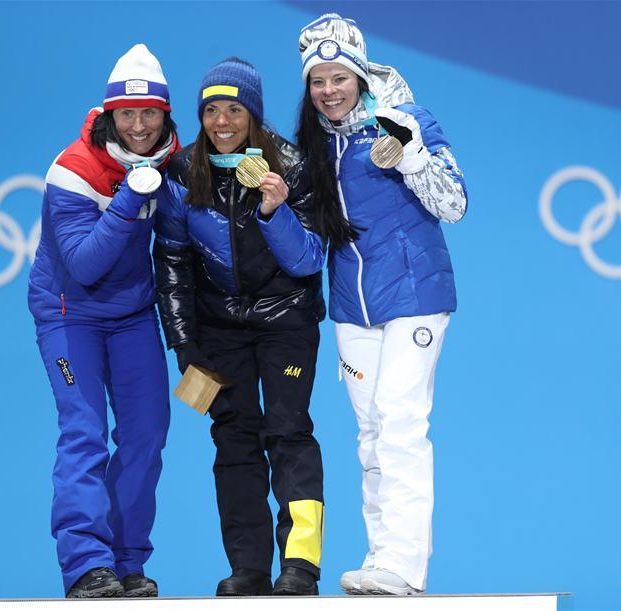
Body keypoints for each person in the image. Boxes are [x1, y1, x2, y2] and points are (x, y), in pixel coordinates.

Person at [296, 14, 468, 596]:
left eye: (338, 76)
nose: (329, 90)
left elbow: (455, 204)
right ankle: (382, 558)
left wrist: (414, 157)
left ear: (361, 74)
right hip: (353, 309)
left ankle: (405, 563)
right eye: (317, 80)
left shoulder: (407, 120)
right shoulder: (315, 141)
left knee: (400, 424)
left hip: (416, 298)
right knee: (370, 433)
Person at [153, 58, 327, 596]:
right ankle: (248, 568)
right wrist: (184, 343)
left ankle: (299, 563)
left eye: (234, 109)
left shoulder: (293, 167)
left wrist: (276, 211)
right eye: (211, 110)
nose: (222, 122)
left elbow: (308, 261)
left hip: (286, 321)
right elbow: (173, 260)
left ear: (253, 112)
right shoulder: (182, 173)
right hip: (219, 328)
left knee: (288, 432)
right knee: (233, 441)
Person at [28, 44, 178, 599]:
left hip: (134, 315)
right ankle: (87, 565)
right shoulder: (73, 170)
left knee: (146, 436)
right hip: (71, 316)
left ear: (165, 115)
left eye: (150, 114)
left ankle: (126, 560)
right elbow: (86, 266)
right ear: (109, 114)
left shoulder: (174, 158)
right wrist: (128, 198)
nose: (139, 126)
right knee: (84, 434)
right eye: (127, 114)